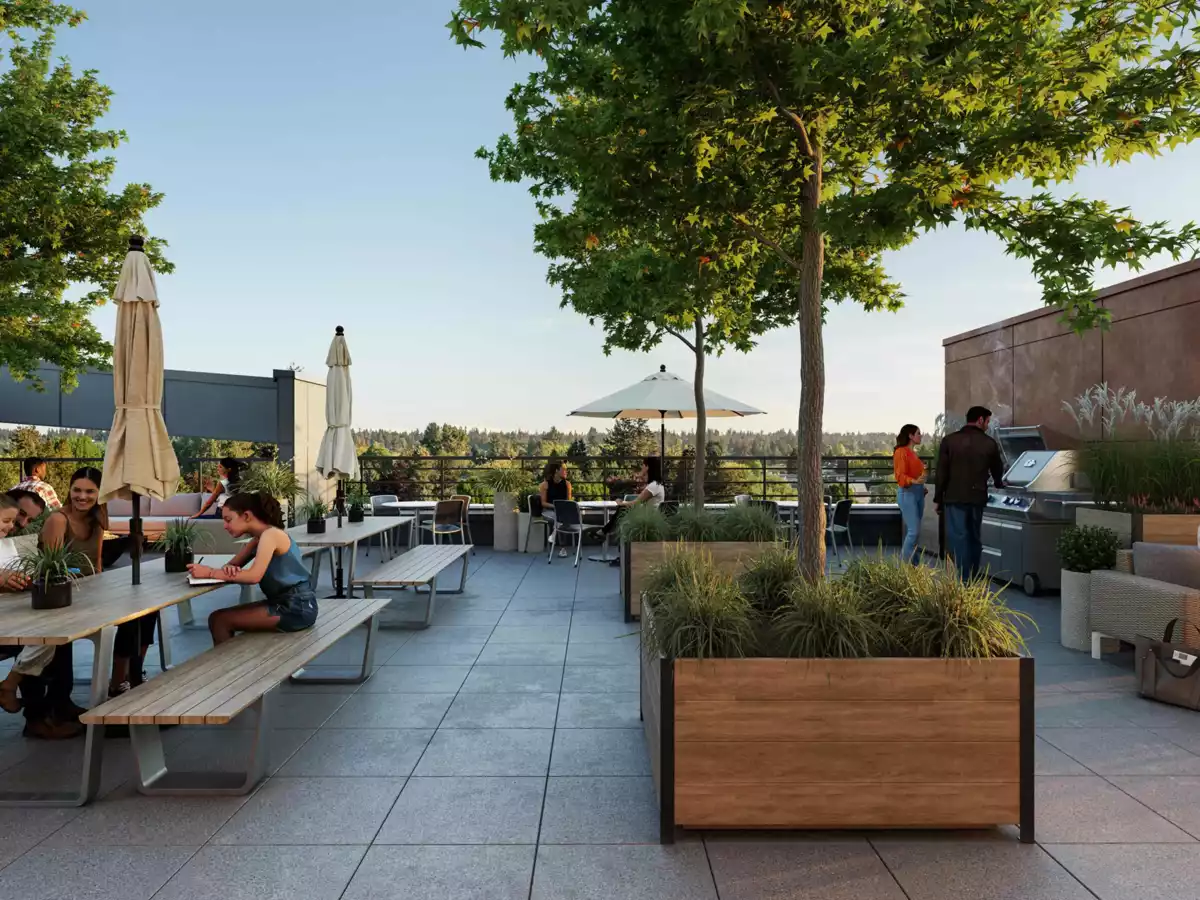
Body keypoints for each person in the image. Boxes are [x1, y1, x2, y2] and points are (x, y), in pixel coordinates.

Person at [0, 476, 90, 739]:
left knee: (59, 629)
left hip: (12, 613)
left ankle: (56, 705)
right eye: (13, 519)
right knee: (44, 635)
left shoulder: (9, 542)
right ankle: (36, 716)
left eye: (24, 520)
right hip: (9, 622)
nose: (18, 525)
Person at [188, 492, 317, 644]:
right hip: (285, 602)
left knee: (219, 620)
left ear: (246, 516)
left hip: (296, 606)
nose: (225, 526)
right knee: (219, 618)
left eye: (228, 520)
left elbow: (254, 576)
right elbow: (230, 566)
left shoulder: (271, 535)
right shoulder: (258, 539)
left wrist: (209, 572)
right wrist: (228, 569)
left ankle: (231, 661)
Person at [934, 406, 1006, 581]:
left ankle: (963, 579)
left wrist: (938, 498)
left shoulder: (949, 441)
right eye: (987, 421)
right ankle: (972, 577)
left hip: (954, 497)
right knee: (974, 537)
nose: (988, 425)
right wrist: (999, 483)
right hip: (977, 497)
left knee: (959, 537)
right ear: (980, 420)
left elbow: (942, 472)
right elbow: (997, 470)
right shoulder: (989, 443)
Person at [603, 457, 666, 566]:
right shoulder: (656, 485)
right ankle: (606, 532)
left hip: (648, 521)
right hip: (650, 517)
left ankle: (606, 533)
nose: (641, 467)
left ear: (647, 467)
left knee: (623, 511)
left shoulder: (653, 486)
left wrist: (620, 502)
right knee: (623, 512)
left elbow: (635, 503)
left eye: (643, 465)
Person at [893, 424, 927, 565]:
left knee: (915, 533)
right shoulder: (901, 452)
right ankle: (904, 567)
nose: (921, 436)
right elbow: (900, 476)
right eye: (918, 433)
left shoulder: (913, 453)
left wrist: (921, 486)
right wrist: (915, 481)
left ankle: (914, 565)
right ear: (910, 436)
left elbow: (916, 474)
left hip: (918, 493)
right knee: (914, 531)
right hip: (907, 494)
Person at [540, 460, 573, 558]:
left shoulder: (567, 484)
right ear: (556, 471)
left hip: (562, 512)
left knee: (562, 518)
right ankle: (563, 548)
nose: (566, 471)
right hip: (548, 511)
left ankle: (555, 538)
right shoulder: (545, 485)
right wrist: (555, 506)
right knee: (560, 519)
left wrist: (562, 508)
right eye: (564, 469)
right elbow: (543, 503)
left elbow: (569, 502)